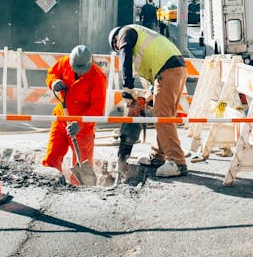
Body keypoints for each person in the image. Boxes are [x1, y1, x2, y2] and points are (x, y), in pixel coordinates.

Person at [108, 24, 188, 177]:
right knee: (163, 115)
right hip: (175, 68)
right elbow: (154, 70)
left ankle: (177, 162)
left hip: (168, 69)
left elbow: (125, 53)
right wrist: (148, 97)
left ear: (115, 42)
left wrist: (128, 87)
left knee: (163, 117)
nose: (119, 50)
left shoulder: (125, 32)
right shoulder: (143, 36)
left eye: (117, 48)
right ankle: (157, 156)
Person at [43, 45, 106, 184]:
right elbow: (51, 74)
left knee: (82, 163)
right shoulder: (64, 62)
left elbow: (97, 109)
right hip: (61, 119)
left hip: (82, 129)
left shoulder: (97, 77)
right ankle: (50, 184)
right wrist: (54, 82)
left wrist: (80, 123)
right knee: (52, 157)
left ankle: (79, 192)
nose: (80, 72)